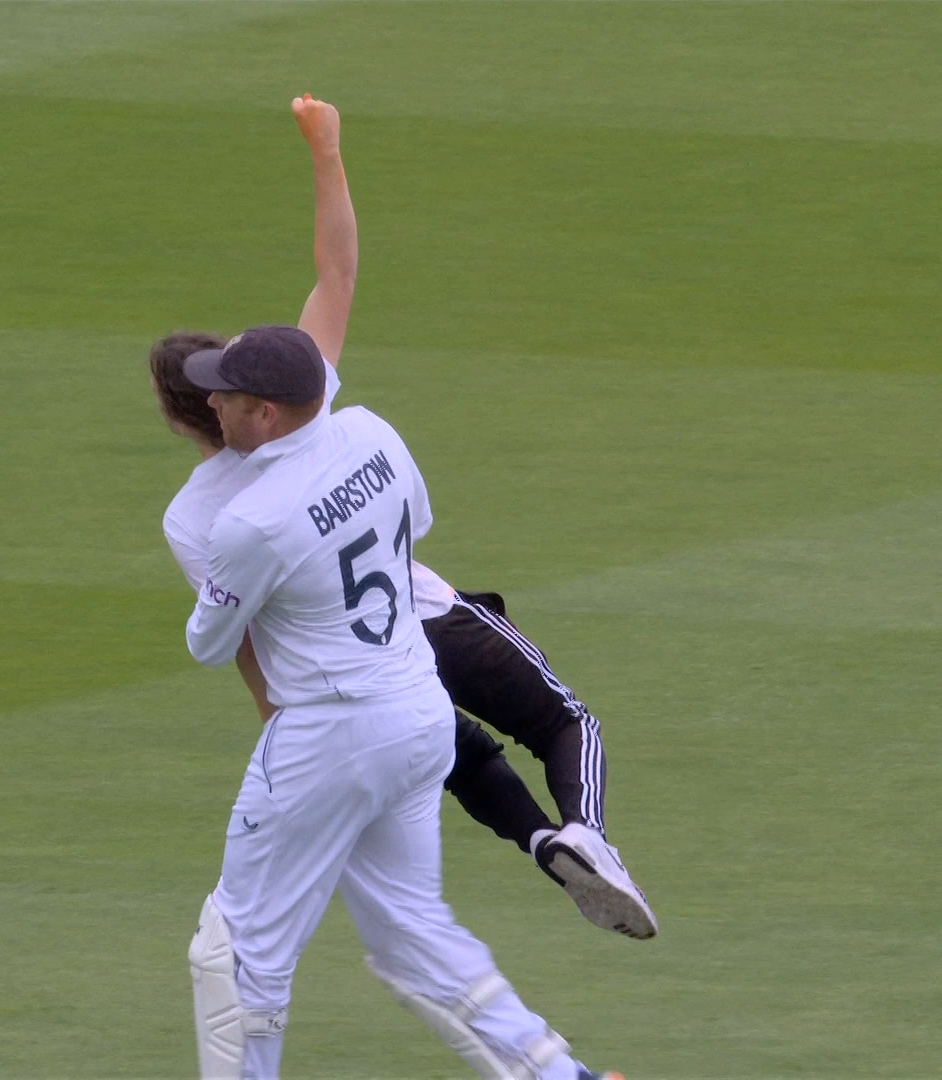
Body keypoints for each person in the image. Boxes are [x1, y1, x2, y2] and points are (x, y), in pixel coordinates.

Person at [169, 97, 622, 1080]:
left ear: (263, 409)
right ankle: (559, 1075)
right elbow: (407, 522)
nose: (217, 398)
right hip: (416, 709)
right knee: (414, 930)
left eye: (230, 391)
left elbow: (214, 642)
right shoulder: (367, 431)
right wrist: (328, 154)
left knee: (237, 950)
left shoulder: (234, 518)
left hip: (327, 728)